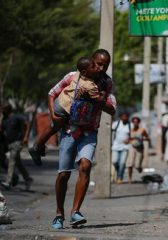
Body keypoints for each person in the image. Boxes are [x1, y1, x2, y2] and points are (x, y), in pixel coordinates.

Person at [49, 49, 116, 229]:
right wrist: (53, 116)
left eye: (105, 65)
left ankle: (75, 212)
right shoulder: (73, 76)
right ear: (91, 62)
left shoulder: (106, 83)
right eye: (98, 64)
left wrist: (97, 100)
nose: (101, 68)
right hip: (69, 130)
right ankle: (58, 213)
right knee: (64, 174)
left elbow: (112, 109)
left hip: (89, 131)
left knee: (85, 166)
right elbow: (52, 93)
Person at [28, 57, 106, 166]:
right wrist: (102, 92)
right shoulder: (88, 84)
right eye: (95, 65)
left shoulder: (78, 75)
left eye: (104, 66)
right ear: (85, 71)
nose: (99, 68)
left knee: (54, 127)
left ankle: (39, 147)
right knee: (65, 127)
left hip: (60, 103)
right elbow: (100, 100)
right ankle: (37, 147)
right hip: (65, 109)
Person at [0, 103, 33, 190]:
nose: (2, 111)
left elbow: (28, 124)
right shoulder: (5, 119)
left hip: (17, 142)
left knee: (12, 160)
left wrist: (26, 137)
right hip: (8, 143)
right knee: (18, 163)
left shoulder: (17, 117)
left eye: (3, 109)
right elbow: (2, 130)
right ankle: (28, 179)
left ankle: (8, 182)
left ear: (8, 109)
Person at [126, 117, 149, 184]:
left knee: (137, 165)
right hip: (132, 147)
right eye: (134, 122)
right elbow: (128, 139)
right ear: (132, 123)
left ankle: (139, 168)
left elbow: (147, 137)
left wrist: (144, 139)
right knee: (129, 164)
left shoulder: (142, 130)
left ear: (139, 123)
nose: (135, 123)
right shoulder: (130, 130)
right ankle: (130, 179)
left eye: (137, 122)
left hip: (140, 148)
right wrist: (127, 141)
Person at [111, 112, 132, 184]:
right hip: (115, 146)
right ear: (121, 117)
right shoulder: (116, 124)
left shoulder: (130, 125)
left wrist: (129, 140)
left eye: (126, 117)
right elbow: (110, 132)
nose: (124, 118)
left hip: (125, 147)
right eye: (123, 117)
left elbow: (133, 135)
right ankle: (118, 171)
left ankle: (120, 177)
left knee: (122, 163)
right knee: (114, 161)